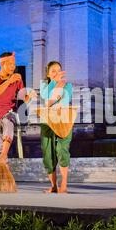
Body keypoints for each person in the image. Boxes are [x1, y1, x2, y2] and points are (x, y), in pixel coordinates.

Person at [0, 52, 35, 166]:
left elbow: (24, 97)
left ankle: (3, 156)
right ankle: (4, 170)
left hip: (9, 111)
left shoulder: (18, 79)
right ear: (2, 64)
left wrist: (30, 96)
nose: (14, 66)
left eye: (14, 64)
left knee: (8, 123)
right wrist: (9, 81)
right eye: (10, 64)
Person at [40, 61, 73, 193]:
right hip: (47, 120)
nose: (57, 73)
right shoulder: (44, 85)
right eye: (53, 71)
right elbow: (45, 96)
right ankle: (53, 185)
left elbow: (64, 101)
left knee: (62, 150)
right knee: (48, 154)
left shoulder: (67, 85)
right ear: (48, 74)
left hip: (63, 118)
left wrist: (59, 86)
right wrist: (54, 82)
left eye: (59, 70)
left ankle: (64, 183)